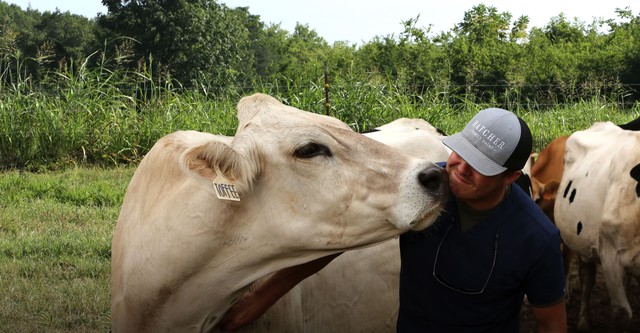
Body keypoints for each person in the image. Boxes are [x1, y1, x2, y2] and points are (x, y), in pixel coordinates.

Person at [219, 108, 568, 333]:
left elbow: (551, 323)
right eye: (461, 152)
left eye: (480, 166)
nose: (459, 168)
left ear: (510, 177)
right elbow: (338, 239)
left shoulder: (537, 239)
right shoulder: (425, 187)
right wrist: (260, 300)